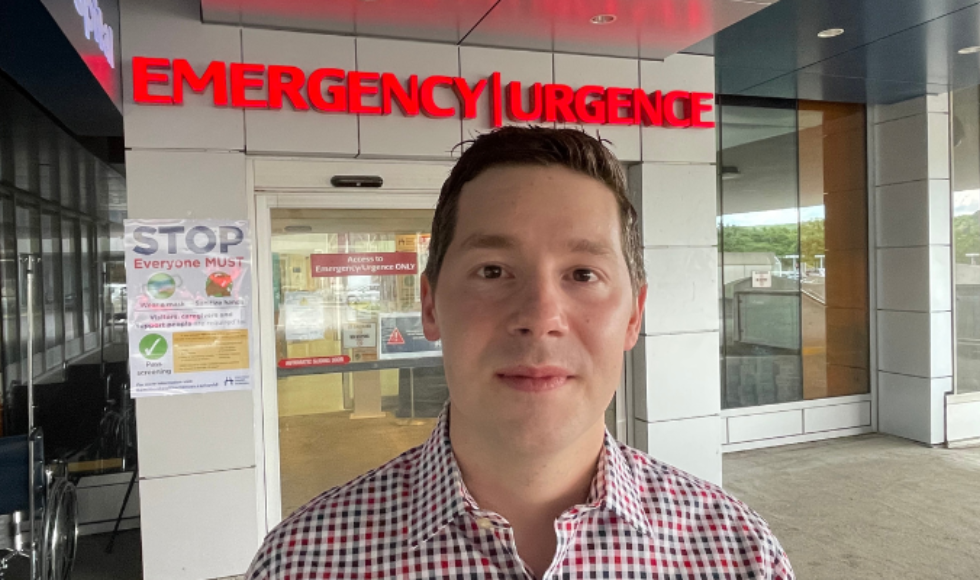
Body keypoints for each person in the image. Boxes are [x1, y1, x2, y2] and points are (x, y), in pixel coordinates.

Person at [245, 126, 795, 580]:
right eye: (492, 271)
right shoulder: (303, 561)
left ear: (632, 316)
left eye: (583, 274)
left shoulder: (738, 554)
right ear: (431, 307)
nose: (540, 316)